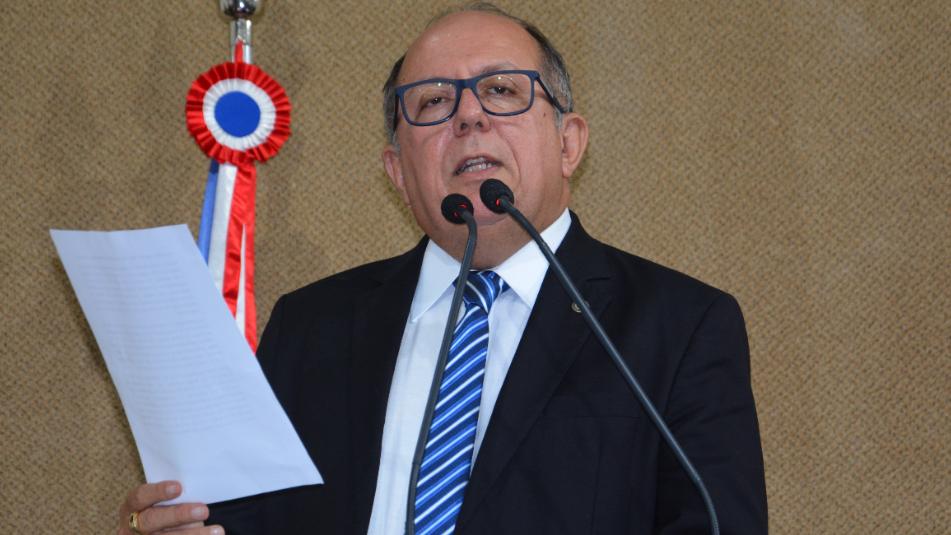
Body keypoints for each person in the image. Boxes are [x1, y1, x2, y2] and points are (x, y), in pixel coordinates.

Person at [117, 4, 768, 534]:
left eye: (502, 90)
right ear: (398, 172)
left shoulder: (677, 327)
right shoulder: (311, 326)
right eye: (432, 103)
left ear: (568, 143)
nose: (469, 116)